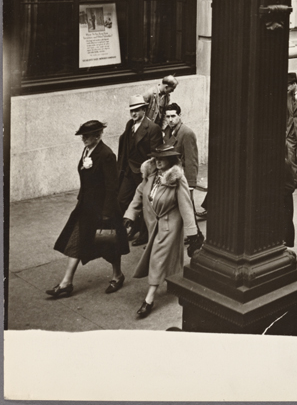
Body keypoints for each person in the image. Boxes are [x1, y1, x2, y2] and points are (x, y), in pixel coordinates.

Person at [47, 120, 130, 298]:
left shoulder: (106, 155)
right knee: (77, 239)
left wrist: (107, 214)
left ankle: (117, 275)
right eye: (82, 136)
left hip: (103, 209)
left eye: (87, 136)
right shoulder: (88, 150)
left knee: (109, 243)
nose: (83, 139)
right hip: (86, 207)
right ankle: (66, 283)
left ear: (98, 136)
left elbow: (111, 187)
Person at [123, 142, 199, 318]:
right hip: (152, 224)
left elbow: (186, 206)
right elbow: (139, 194)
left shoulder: (177, 179)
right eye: (156, 158)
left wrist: (192, 232)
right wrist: (130, 215)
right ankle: (174, 280)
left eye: (162, 159)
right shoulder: (150, 175)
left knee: (157, 258)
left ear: (170, 160)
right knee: (164, 257)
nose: (157, 161)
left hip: (169, 224)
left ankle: (149, 299)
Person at [117, 95, 164, 246]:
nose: (134, 114)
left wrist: (149, 173)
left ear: (144, 110)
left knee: (145, 204)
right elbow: (125, 148)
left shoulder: (152, 128)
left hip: (143, 173)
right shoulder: (129, 124)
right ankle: (131, 227)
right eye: (132, 110)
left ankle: (143, 234)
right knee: (121, 200)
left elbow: (155, 153)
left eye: (137, 110)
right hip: (129, 171)